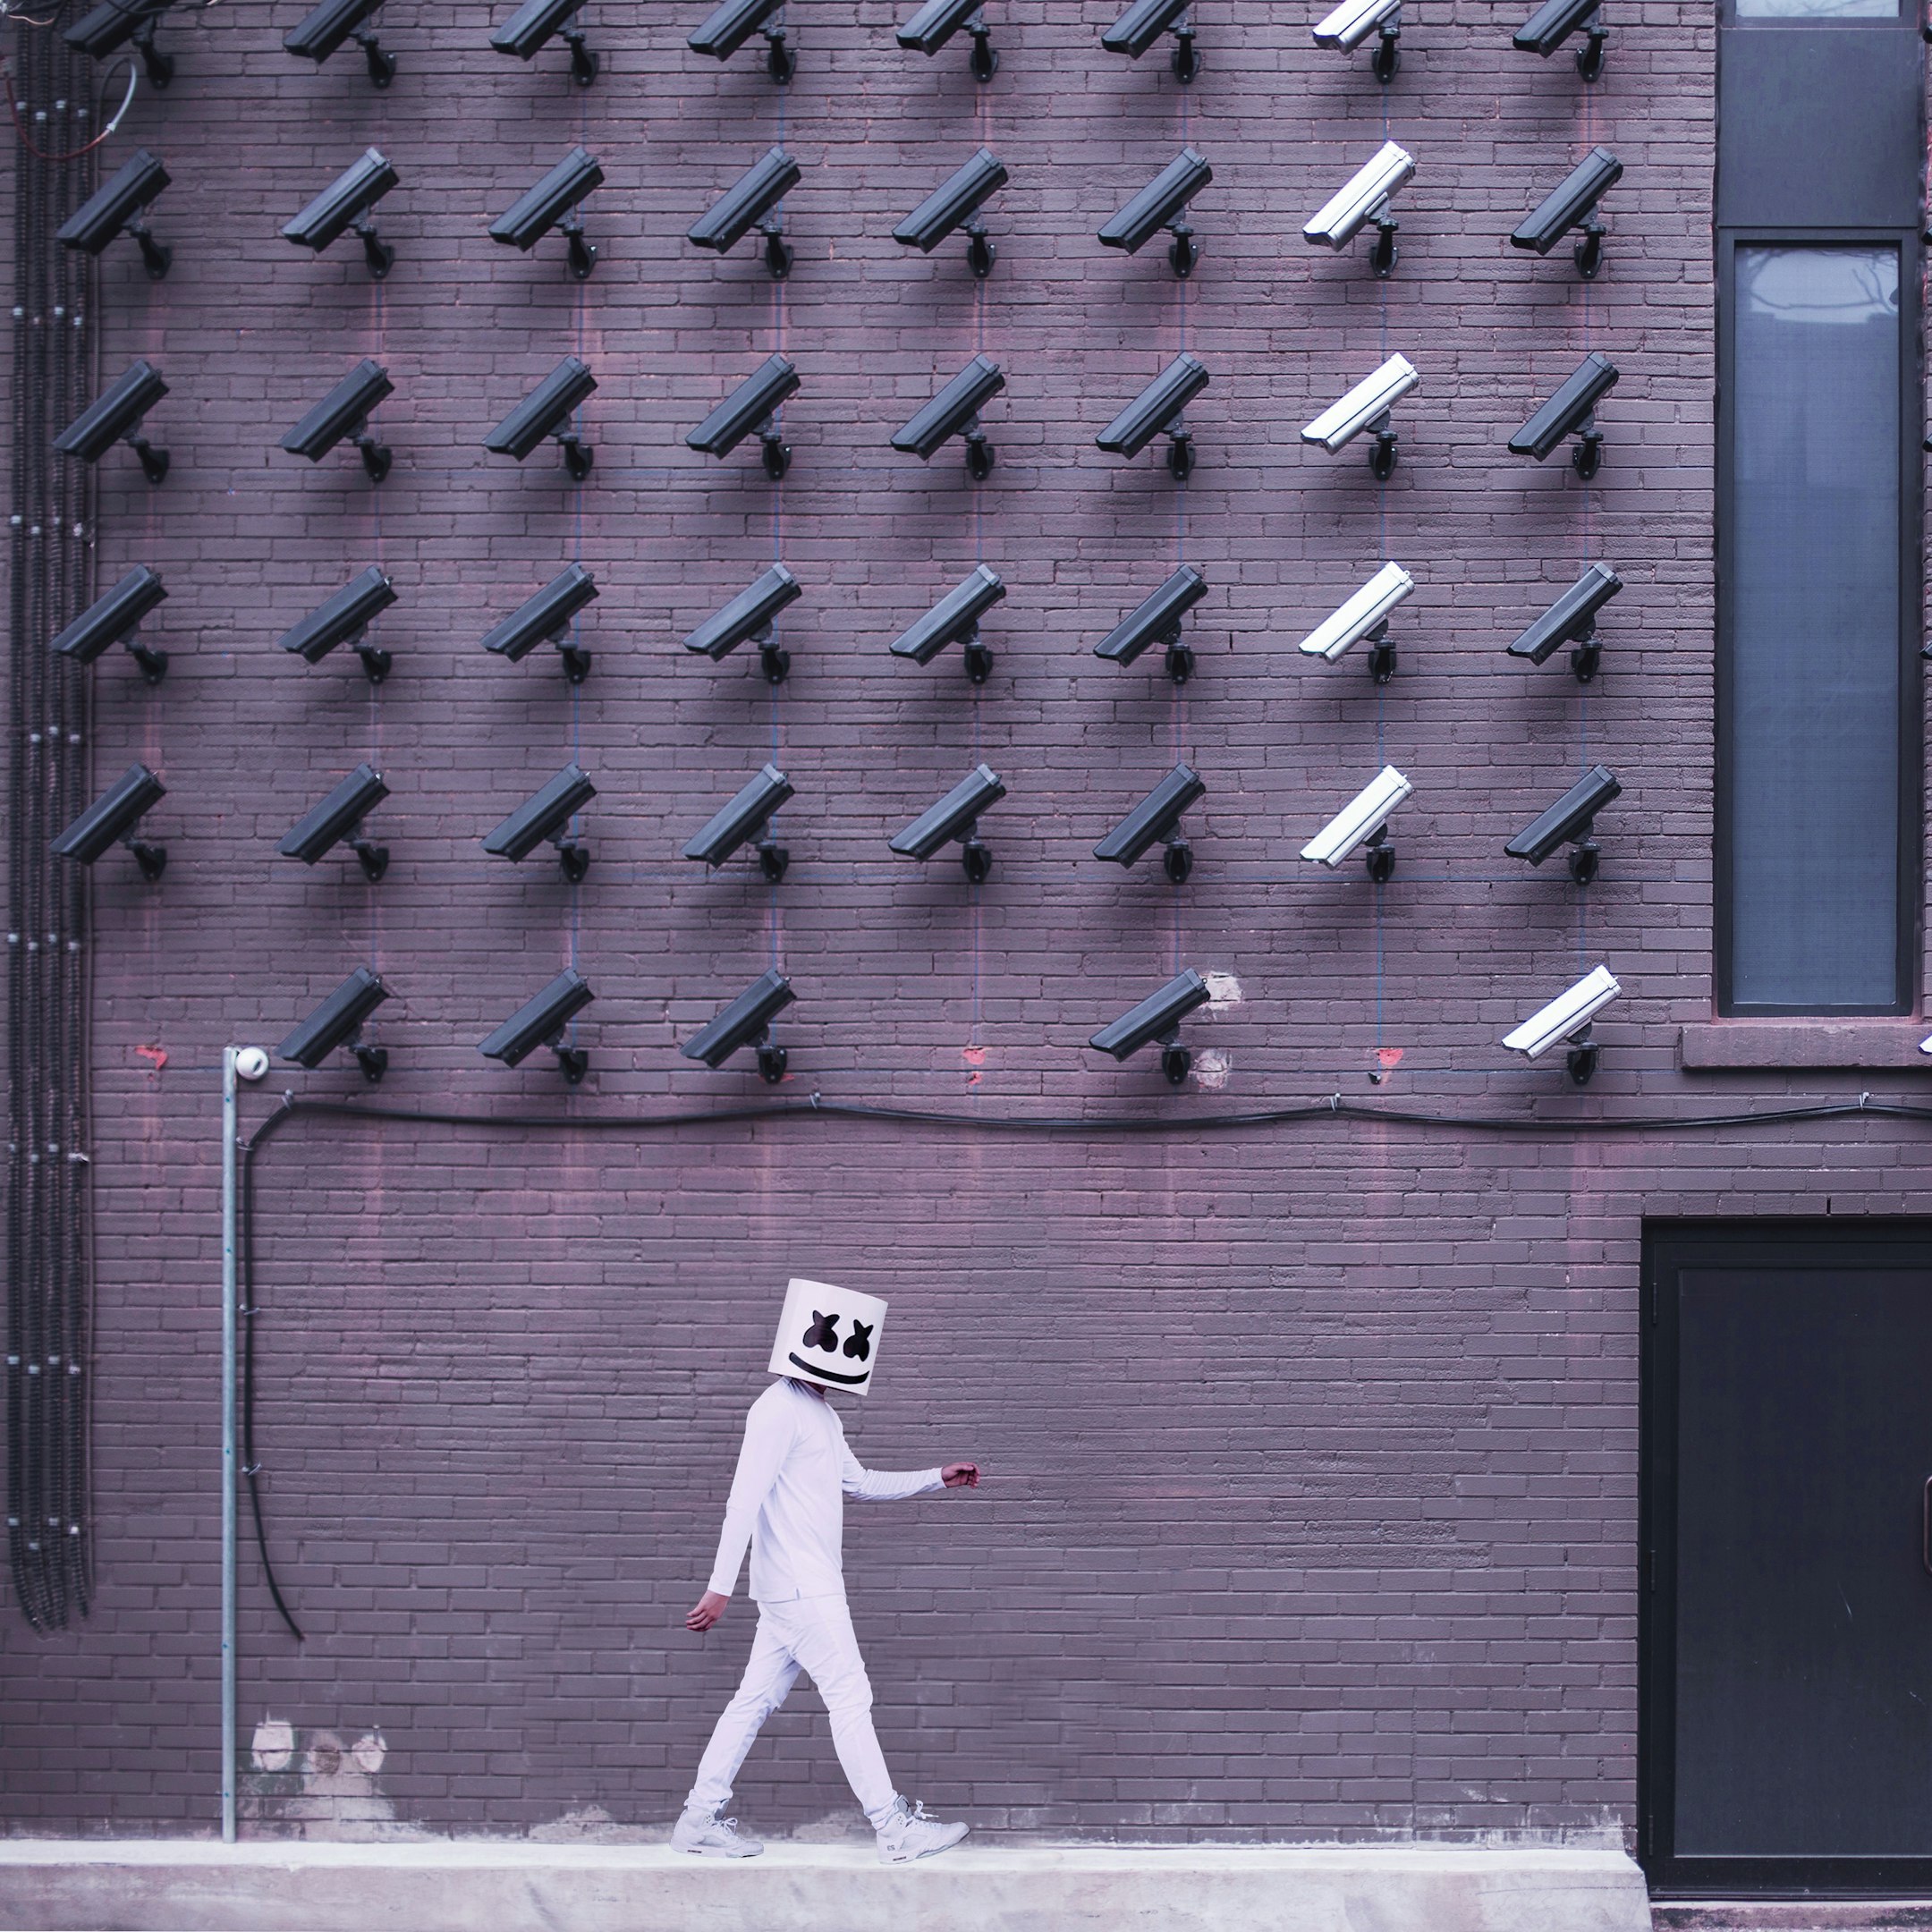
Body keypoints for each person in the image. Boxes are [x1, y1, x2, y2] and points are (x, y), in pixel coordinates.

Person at [673, 1278, 980, 1865]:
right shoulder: (775, 1411)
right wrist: (719, 1587)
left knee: (752, 1701)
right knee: (850, 1693)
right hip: (801, 1588)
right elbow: (742, 1500)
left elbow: (858, 1483)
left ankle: (698, 1819)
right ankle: (894, 1830)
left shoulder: (821, 1412)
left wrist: (935, 1477)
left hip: (798, 1589)